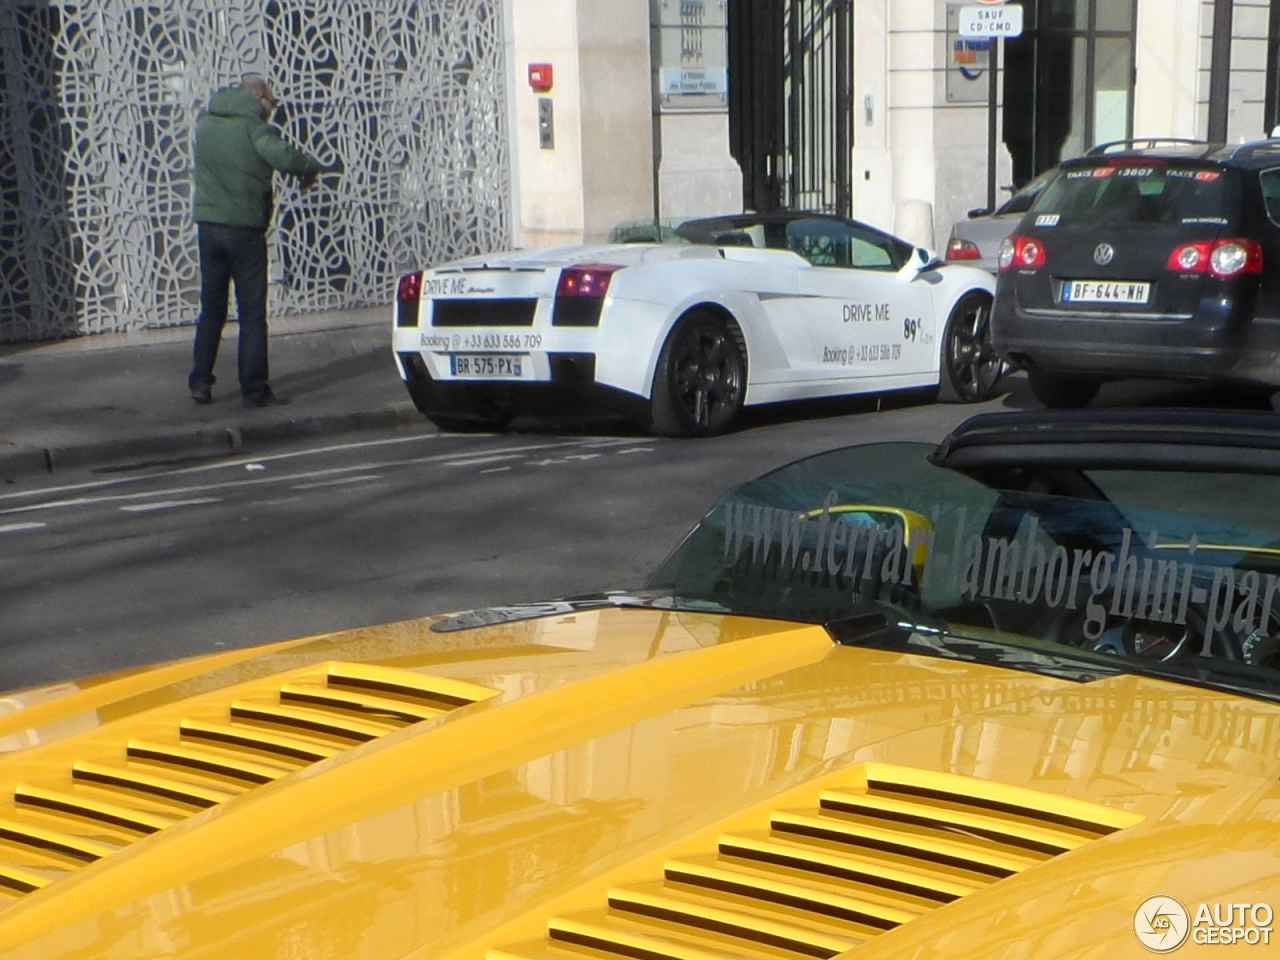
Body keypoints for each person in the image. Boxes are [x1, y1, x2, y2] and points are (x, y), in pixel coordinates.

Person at [188, 74, 324, 407]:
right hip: (244, 229)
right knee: (251, 314)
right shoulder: (254, 128)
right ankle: (254, 388)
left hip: (209, 227)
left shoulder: (206, 123)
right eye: (271, 103)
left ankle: (200, 382)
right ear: (259, 97)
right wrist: (311, 168)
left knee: (212, 309)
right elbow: (285, 157)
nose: (271, 109)